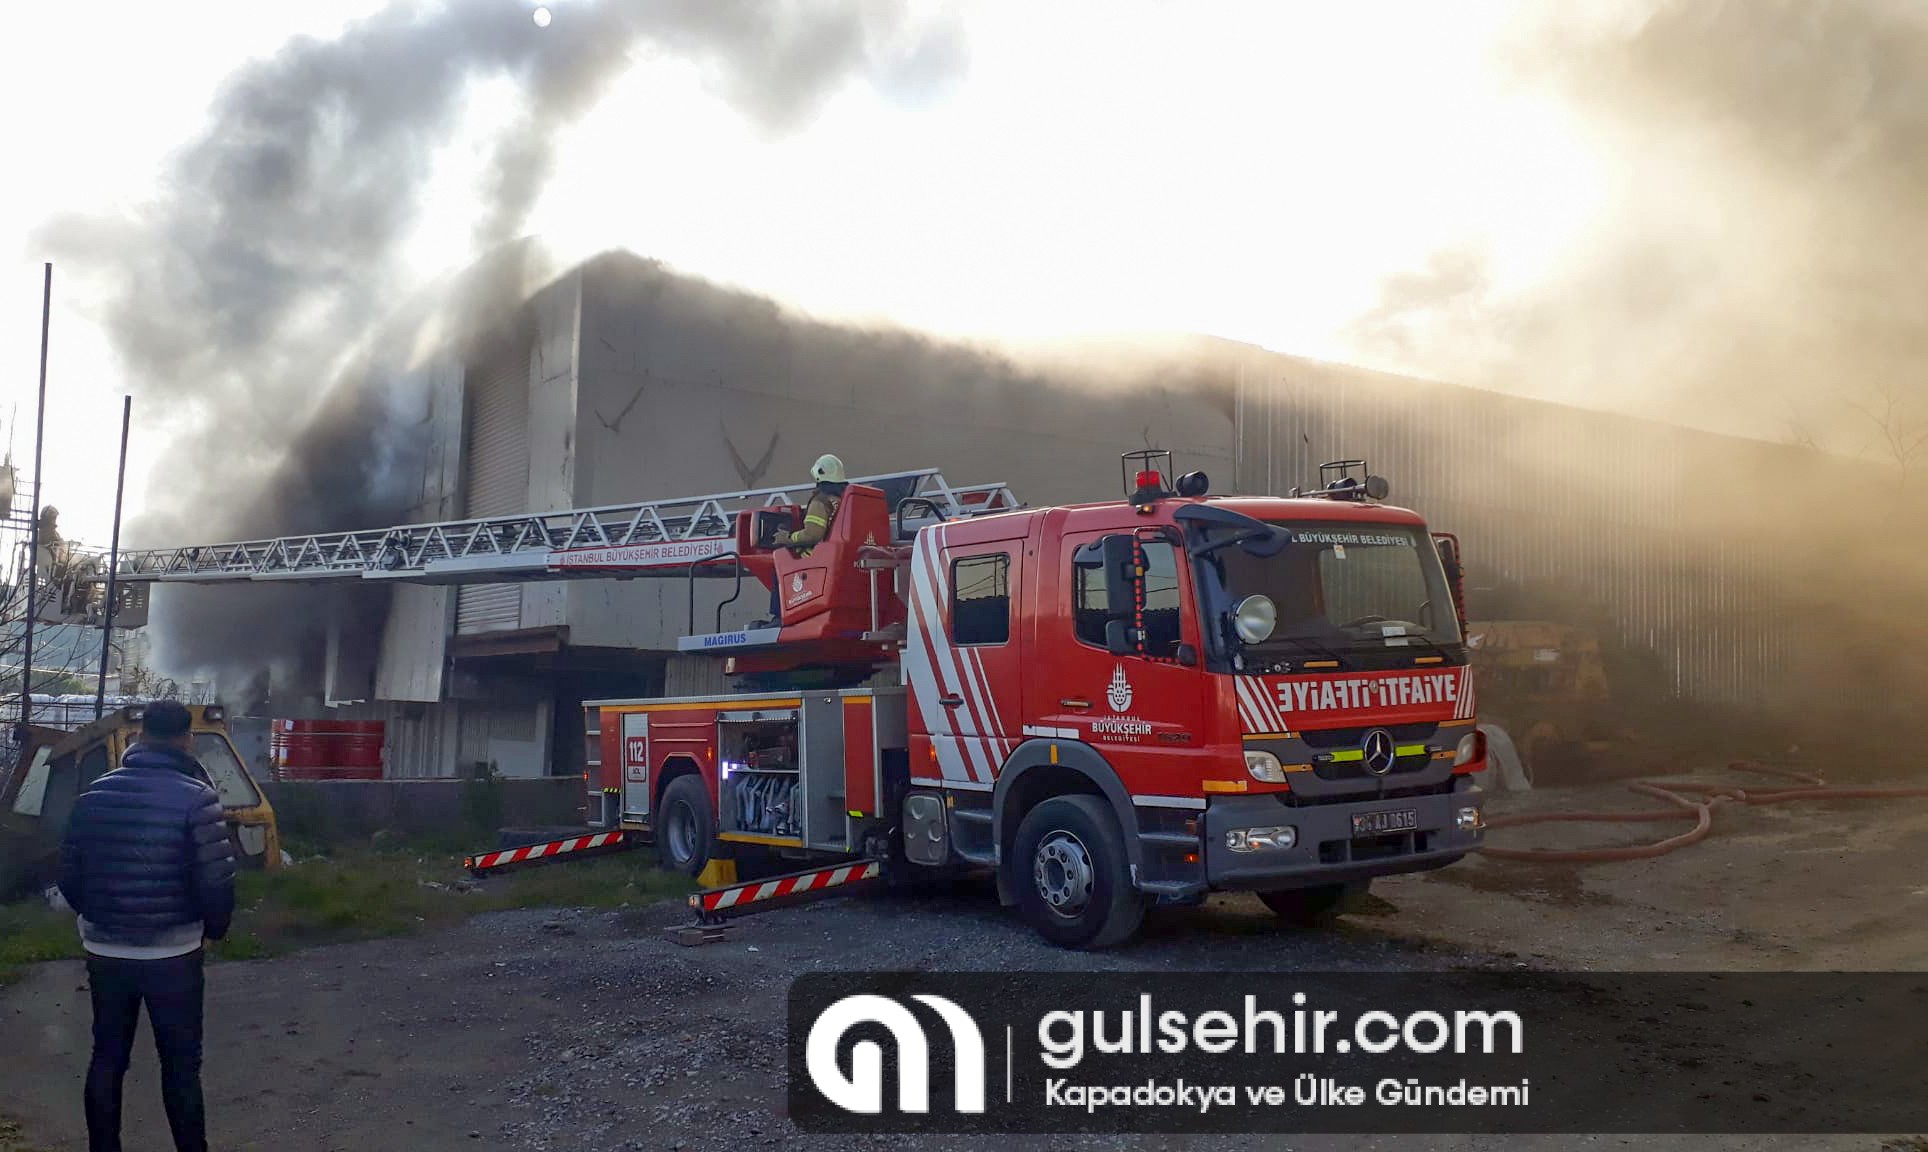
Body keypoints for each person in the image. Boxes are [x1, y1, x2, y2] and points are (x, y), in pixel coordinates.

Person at [58, 699, 235, 1152]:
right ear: (186, 739)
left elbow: (70, 876)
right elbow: (215, 881)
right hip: (173, 955)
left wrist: (97, 918)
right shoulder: (198, 798)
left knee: (108, 1057)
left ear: (139, 737)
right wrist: (212, 931)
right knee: (180, 1065)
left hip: (105, 951)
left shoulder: (93, 795)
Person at [758, 454, 849, 625]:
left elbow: (813, 534)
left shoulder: (820, 501)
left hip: (813, 559)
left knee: (780, 562)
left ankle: (779, 618)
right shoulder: (842, 500)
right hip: (832, 558)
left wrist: (787, 538)